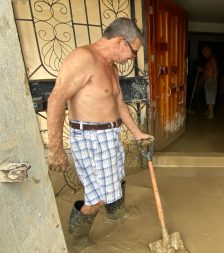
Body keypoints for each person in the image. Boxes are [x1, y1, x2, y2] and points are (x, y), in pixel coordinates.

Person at [47, 18, 153, 249]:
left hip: (109, 136)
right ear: (119, 41)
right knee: (97, 198)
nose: (131, 58)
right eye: (133, 52)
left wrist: (136, 132)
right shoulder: (83, 58)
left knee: (114, 181)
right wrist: (55, 149)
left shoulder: (110, 67)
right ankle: (77, 242)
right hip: (91, 139)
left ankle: (115, 214)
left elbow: (118, 102)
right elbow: (56, 99)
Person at [201, 44, 218, 118]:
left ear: (209, 51)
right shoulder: (208, 59)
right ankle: (208, 111)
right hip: (208, 80)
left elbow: (216, 71)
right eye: (203, 51)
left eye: (205, 51)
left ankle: (211, 113)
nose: (203, 52)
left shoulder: (212, 59)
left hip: (211, 80)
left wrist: (213, 82)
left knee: (211, 97)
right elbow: (208, 69)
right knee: (208, 96)